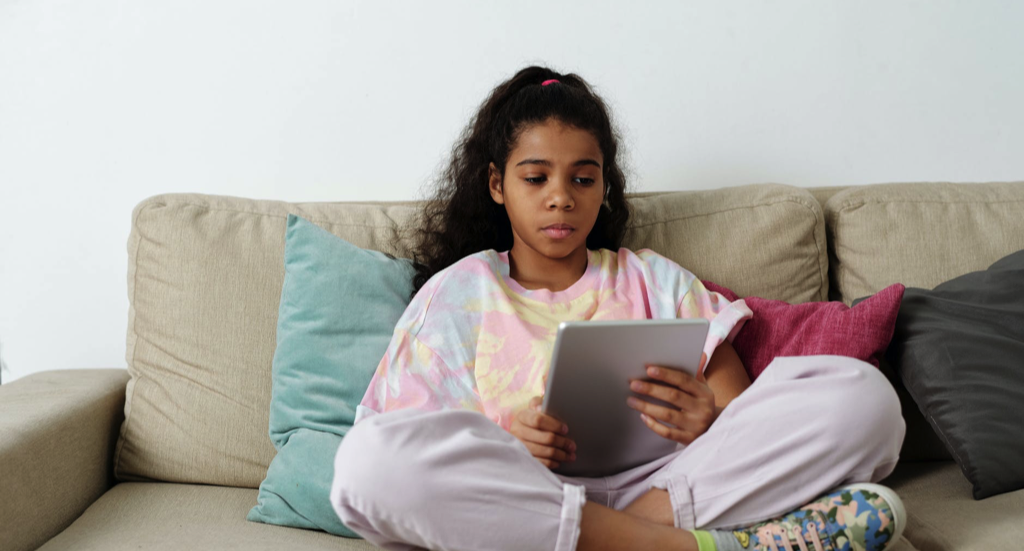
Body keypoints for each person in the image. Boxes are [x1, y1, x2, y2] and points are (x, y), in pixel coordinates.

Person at [329, 66, 907, 551]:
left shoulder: (650, 276)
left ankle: (629, 537)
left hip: (670, 485)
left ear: (604, 186)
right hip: (524, 498)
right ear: (497, 184)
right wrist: (509, 442)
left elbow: (736, 398)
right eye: (537, 178)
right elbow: (407, 434)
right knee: (365, 465)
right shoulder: (459, 292)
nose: (562, 195)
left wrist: (709, 417)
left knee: (866, 397)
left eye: (583, 177)